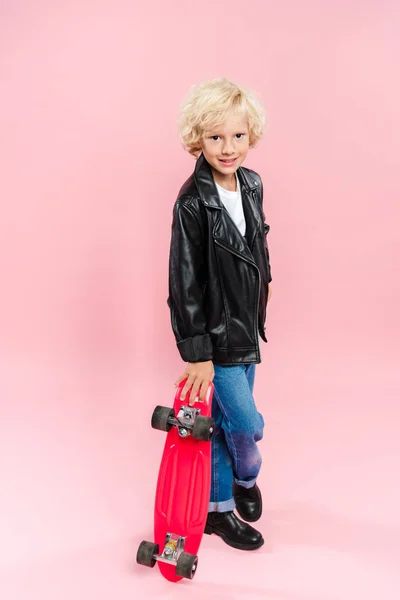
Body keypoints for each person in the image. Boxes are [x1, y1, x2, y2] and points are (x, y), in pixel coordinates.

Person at [167, 77, 272, 551]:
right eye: (215, 137)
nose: (227, 148)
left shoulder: (251, 184)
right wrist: (195, 351)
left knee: (234, 421)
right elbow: (184, 281)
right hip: (216, 336)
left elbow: (255, 249)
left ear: (251, 135)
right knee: (244, 424)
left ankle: (229, 496)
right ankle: (230, 499)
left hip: (248, 328)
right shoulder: (193, 203)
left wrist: (263, 296)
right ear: (198, 138)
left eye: (237, 136)